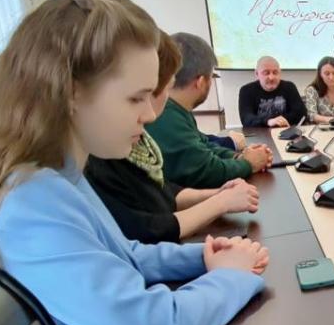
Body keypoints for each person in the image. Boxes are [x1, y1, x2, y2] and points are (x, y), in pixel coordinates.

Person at [0, 0, 269, 325]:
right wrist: (232, 276)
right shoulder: (31, 203)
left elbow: (128, 254)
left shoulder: (60, 175)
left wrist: (205, 255)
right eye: (136, 98)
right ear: (70, 91)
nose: (149, 114)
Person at [86, 32, 260, 244]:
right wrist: (221, 201)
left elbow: (163, 192)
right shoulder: (98, 159)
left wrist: (218, 194)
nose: (150, 116)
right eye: (137, 98)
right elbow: (145, 231)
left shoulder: (124, 144)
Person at [147, 32, 272, 188]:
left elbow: (204, 145)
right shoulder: (166, 115)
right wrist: (248, 164)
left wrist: (238, 157)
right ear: (201, 82)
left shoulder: (176, 110)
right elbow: (206, 172)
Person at [238, 55, 306, 128]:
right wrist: (268, 121)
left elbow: (301, 114)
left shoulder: (289, 87)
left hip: (286, 130)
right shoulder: (246, 90)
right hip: (259, 132)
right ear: (257, 74)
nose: (271, 77)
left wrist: (279, 121)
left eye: (275, 72)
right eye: (266, 73)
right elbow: (246, 118)